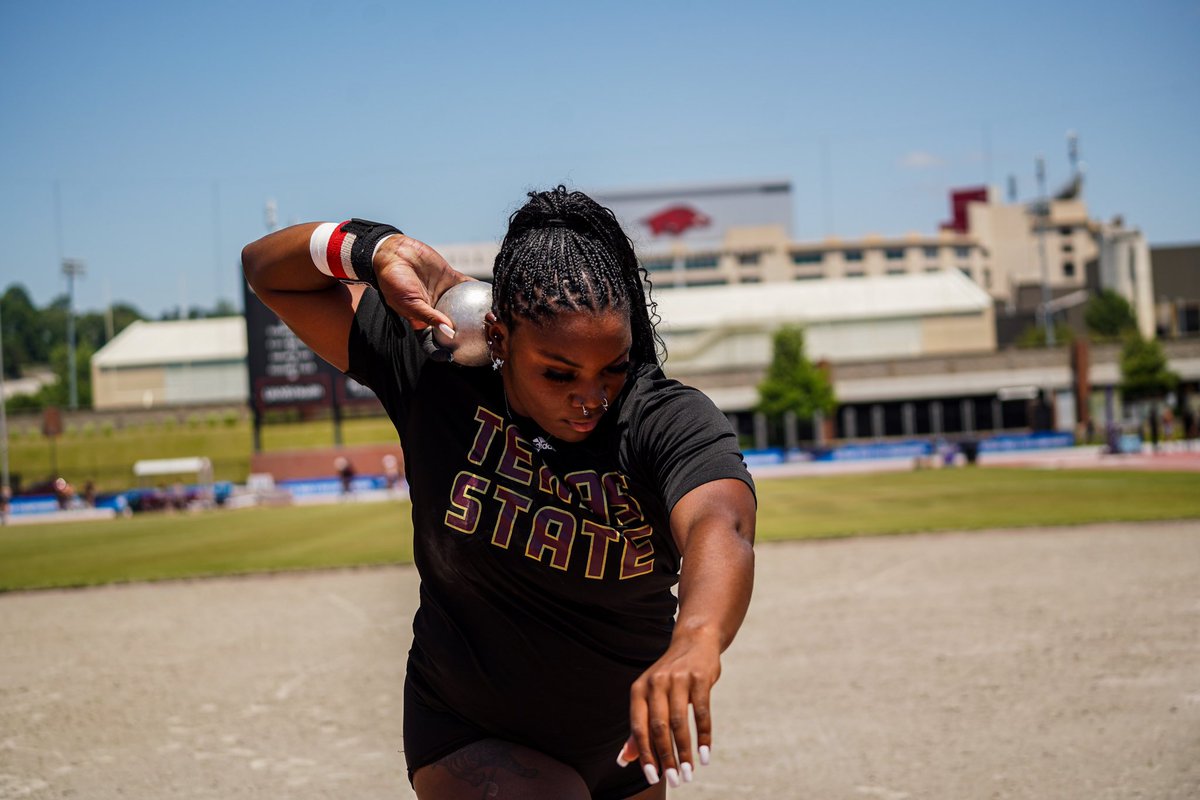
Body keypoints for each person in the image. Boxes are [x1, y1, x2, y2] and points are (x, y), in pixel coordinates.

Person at [242, 187, 756, 799]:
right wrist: (375, 246)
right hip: (470, 727)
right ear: (498, 335)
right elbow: (268, 271)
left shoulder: (663, 419)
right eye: (558, 373)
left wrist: (698, 638)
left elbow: (718, 524)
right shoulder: (435, 369)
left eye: (611, 368)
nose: (590, 397)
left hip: (621, 742)